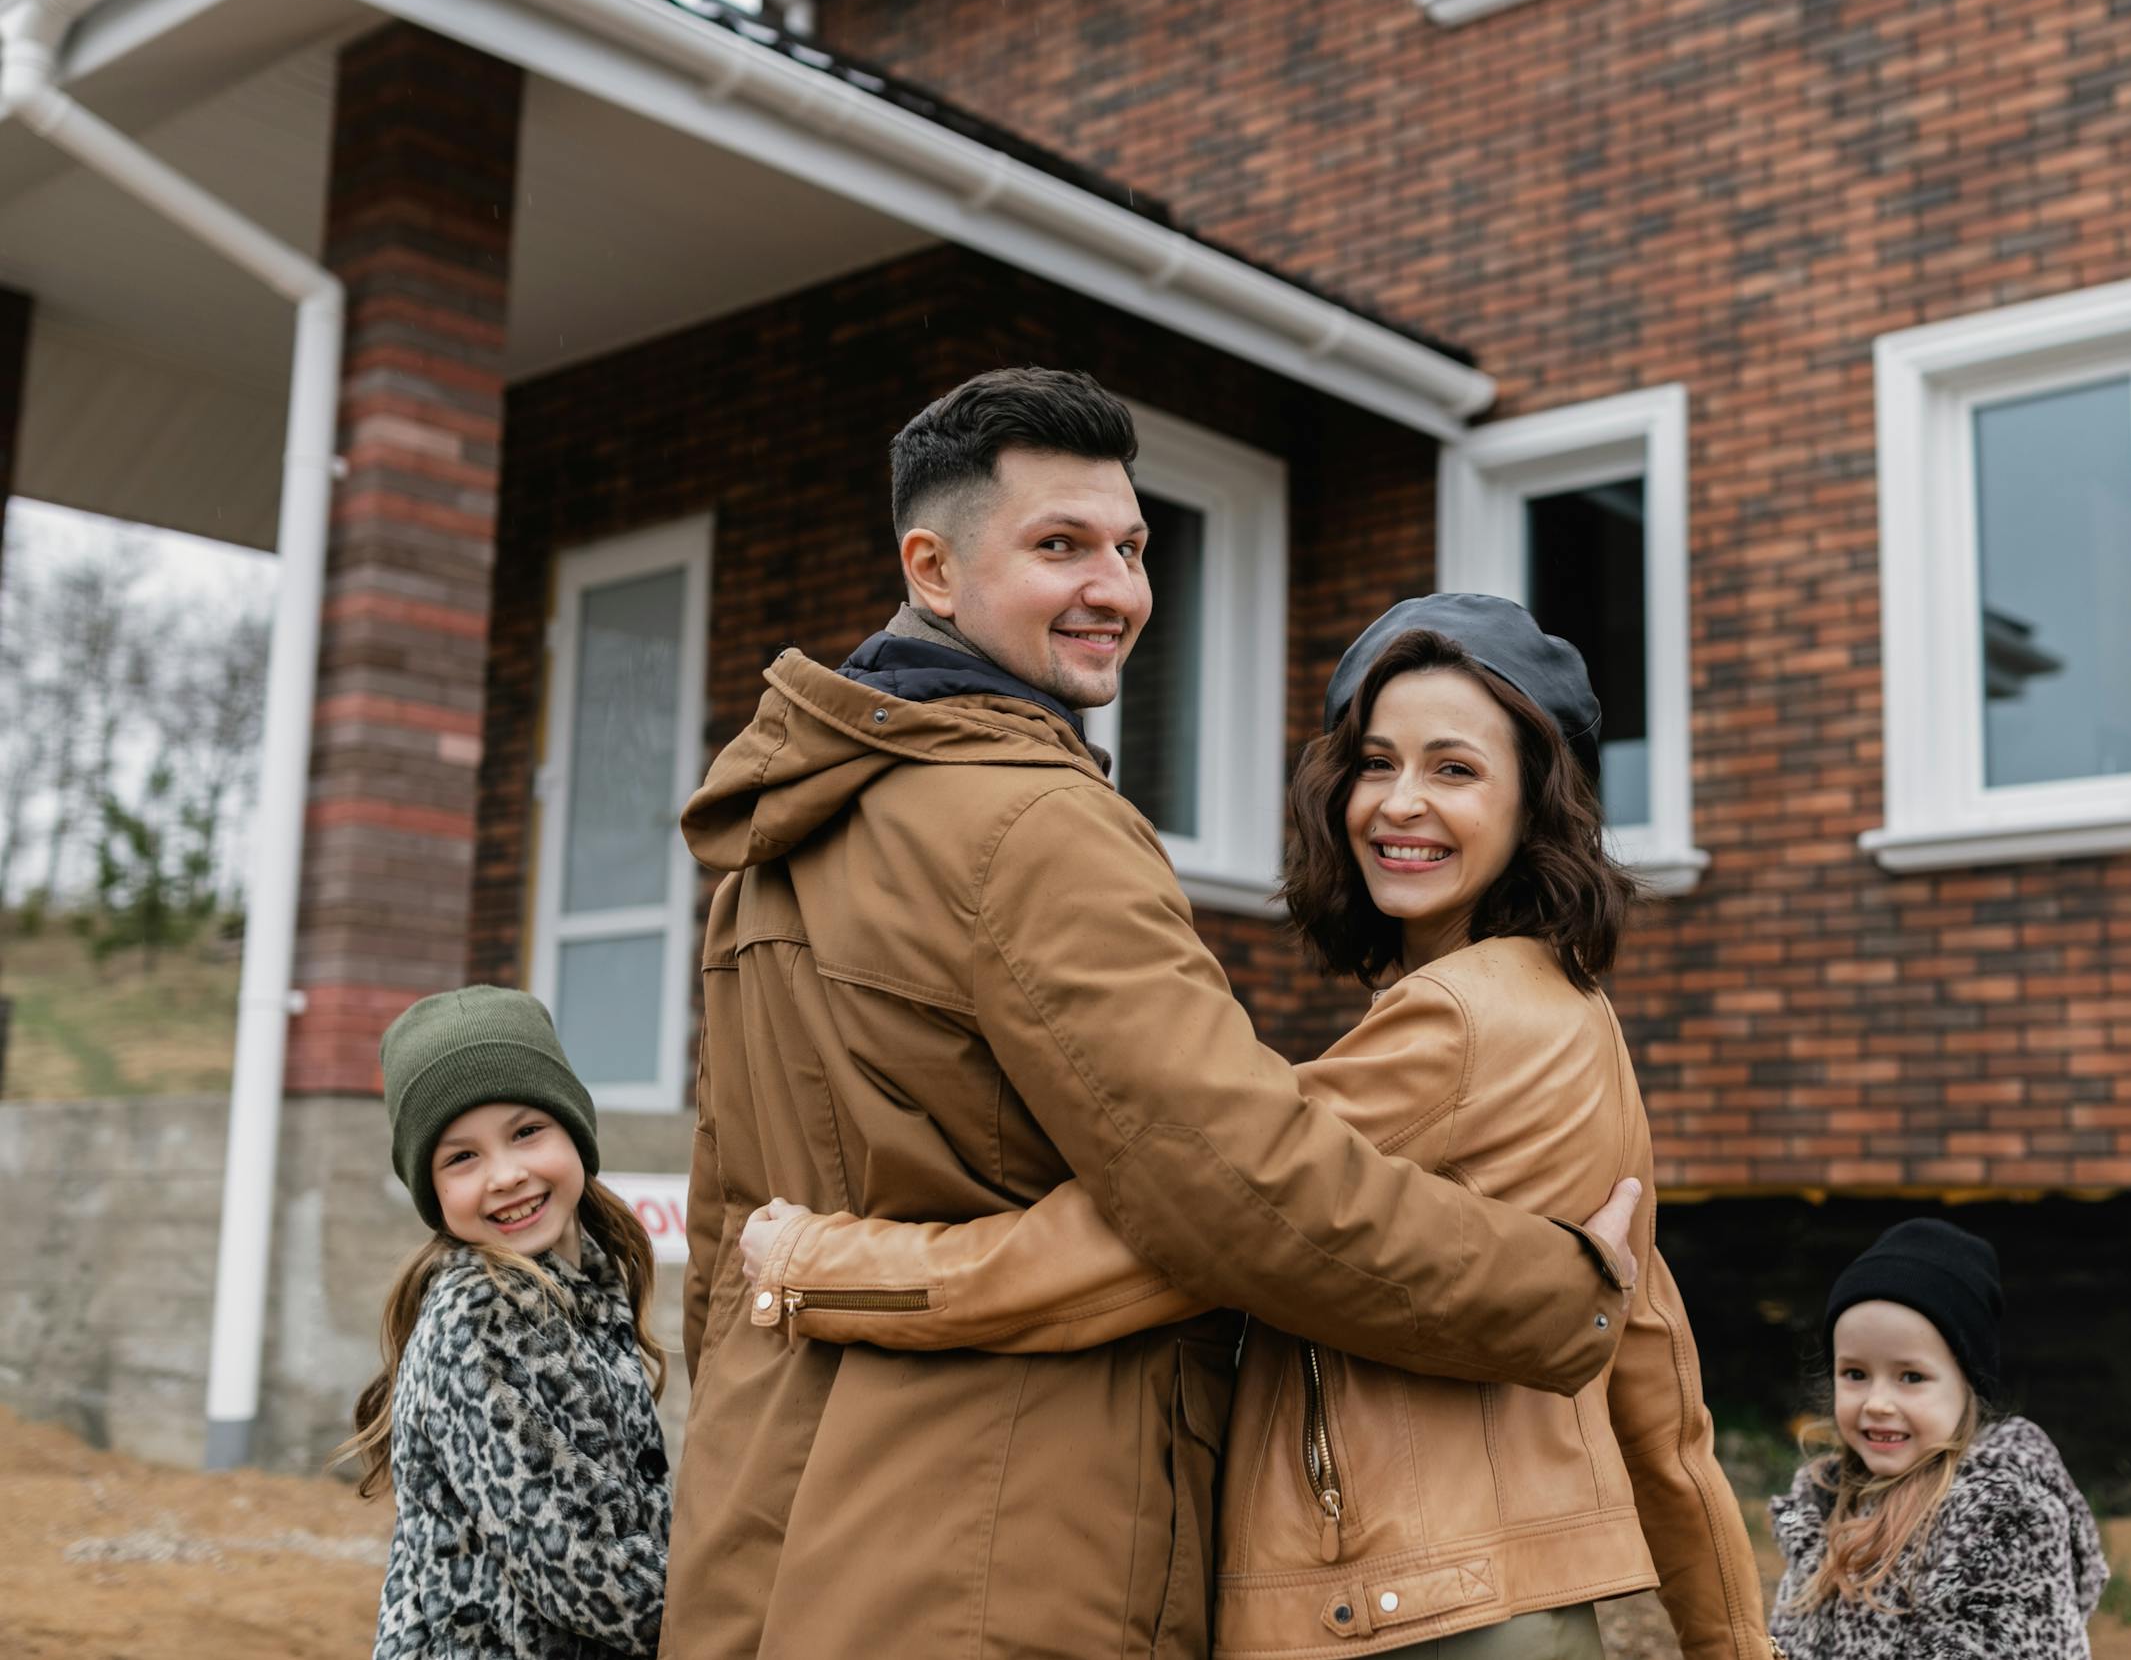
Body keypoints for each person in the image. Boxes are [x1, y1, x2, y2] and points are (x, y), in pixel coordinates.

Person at [664, 370, 1643, 1658]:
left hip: (783, 1517)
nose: (1116, 590)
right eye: (1059, 547)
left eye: (1130, 548)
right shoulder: (1037, 822)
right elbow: (1233, 1186)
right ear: (933, 569)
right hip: (1008, 1536)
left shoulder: (780, 841)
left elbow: (736, 1239)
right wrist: (1553, 1286)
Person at [734, 596, 1774, 1660]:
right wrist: (1730, 1642)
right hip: (1504, 1613)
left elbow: (1162, 1240)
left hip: (1411, 1619)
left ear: (1535, 807)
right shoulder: (1573, 1013)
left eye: (1454, 771)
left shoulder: (1460, 1019)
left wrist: (828, 1266)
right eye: (1376, 764)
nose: (1399, 804)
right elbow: (1659, 1381)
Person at [344, 985, 670, 1660]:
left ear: (574, 1127)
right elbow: (582, 1574)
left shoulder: (588, 1286)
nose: (506, 1174)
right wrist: (742, 1608)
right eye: (462, 1156)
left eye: (526, 1131)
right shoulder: (483, 1316)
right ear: (431, 1189)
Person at [1764, 1220, 2108, 1659]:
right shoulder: (1825, 1505)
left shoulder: (2004, 1521)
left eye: (1911, 1376)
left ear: (1967, 1385)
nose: (1877, 1403)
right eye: (1855, 1374)